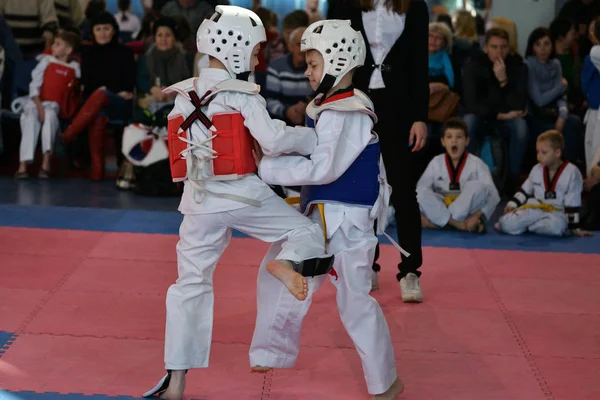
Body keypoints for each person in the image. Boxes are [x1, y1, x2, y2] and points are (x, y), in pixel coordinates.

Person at [141, 6, 332, 399]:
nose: (259, 58)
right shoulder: (240, 94)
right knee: (306, 231)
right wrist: (315, 139)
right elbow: (274, 140)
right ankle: (289, 262)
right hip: (244, 195)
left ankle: (176, 380)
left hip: (197, 202)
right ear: (234, 46)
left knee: (189, 286)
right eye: (255, 50)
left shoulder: (182, 95)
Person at [249, 19, 405, 400]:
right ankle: (270, 350)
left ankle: (385, 383)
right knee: (287, 271)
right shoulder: (327, 106)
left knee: (354, 302)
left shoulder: (348, 111)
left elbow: (323, 167)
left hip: (347, 223)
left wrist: (266, 166)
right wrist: (275, 143)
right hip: (325, 216)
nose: (307, 72)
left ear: (339, 60)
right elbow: (315, 147)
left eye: (313, 64)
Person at [328, 0, 429, 301]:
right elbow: (333, 55)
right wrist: (329, 105)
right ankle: (365, 265)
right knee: (362, 189)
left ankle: (410, 271)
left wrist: (420, 117)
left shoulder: (414, 6)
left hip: (400, 108)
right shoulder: (344, 3)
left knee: (404, 189)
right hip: (356, 102)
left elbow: (419, 63)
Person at [496, 130, 592, 237]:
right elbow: (524, 191)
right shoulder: (536, 169)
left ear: (557, 153)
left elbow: (573, 203)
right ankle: (529, 225)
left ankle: (527, 226)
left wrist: (575, 229)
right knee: (505, 223)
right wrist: (512, 205)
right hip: (535, 209)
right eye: (537, 152)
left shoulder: (572, 172)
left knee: (555, 227)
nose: (539, 156)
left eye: (544, 152)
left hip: (557, 214)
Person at [15, 31, 80, 179]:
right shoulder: (47, 61)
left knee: (50, 116)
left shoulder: (75, 68)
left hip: (54, 104)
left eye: (58, 44)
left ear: (68, 50)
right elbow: (34, 86)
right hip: (36, 100)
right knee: (31, 117)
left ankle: (46, 161)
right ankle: (23, 163)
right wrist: (39, 107)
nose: (53, 47)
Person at [418, 117, 500, 232]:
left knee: (478, 186)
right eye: (449, 137)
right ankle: (458, 225)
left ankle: (436, 224)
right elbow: (421, 190)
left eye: (459, 137)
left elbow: (494, 196)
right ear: (443, 142)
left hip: (466, 212)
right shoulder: (436, 162)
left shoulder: (477, 163)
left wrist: (477, 216)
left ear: (467, 141)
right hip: (441, 207)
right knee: (419, 192)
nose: (454, 141)